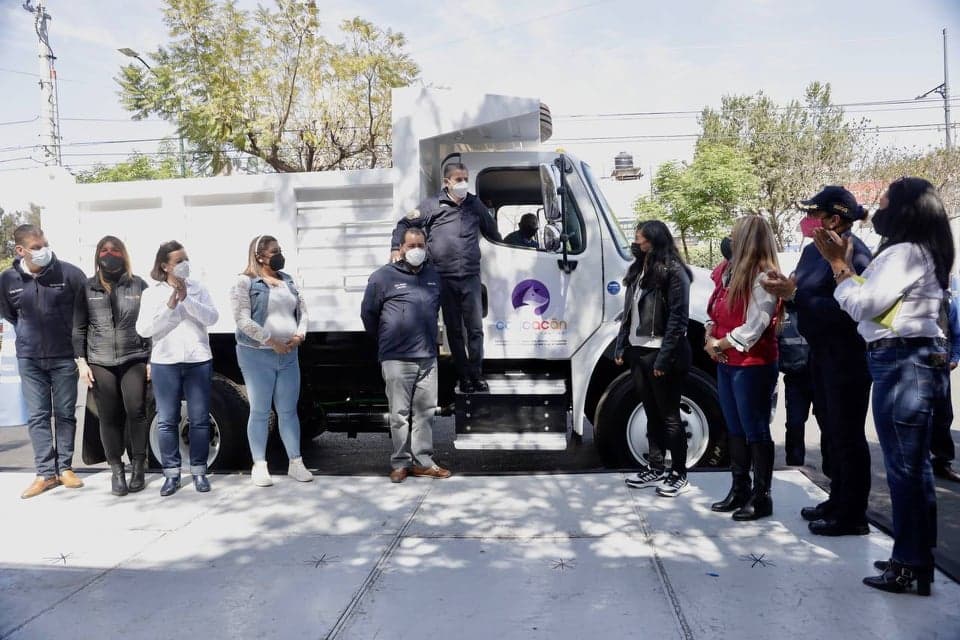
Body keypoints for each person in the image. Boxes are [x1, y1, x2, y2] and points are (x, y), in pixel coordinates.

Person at [817, 176, 953, 596]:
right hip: (907, 357)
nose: (876, 209)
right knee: (913, 468)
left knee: (905, 469)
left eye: (885, 202)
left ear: (906, 210)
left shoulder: (904, 254)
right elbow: (866, 305)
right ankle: (913, 557)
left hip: (902, 359)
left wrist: (840, 267)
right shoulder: (918, 251)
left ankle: (910, 563)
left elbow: (862, 306)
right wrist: (851, 278)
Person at [763, 186, 873, 536]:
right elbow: (803, 293)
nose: (807, 221)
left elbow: (851, 312)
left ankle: (852, 514)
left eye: (814, 215)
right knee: (831, 433)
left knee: (848, 436)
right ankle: (837, 498)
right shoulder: (814, 251)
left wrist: (797, 295)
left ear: (834, 219)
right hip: (819, 354)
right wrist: (787, 290)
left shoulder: (854, 254)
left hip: (847, 357)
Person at [390, 163, 501, 394]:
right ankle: (464, 377)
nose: (463, 183)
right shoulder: (433, 205)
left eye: (465, 178)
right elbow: (404, 223)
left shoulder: (474, 204)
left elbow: (492, 230)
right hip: (444, 277)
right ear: (446, 182)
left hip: (470, 276)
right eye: (458, 179)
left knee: (475, 329)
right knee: (454, 331)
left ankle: (477, 375)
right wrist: (395, 248)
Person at [0, 224, 87, 499]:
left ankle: (65, 468)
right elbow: (10, 315)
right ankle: (45, 474)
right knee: (37, 416)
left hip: (64, 356)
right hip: (29, 358)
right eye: (36, 247)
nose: (43, 251)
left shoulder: (70, 273)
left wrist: (79, 353)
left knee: (64, 414)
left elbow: (84, 314)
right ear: (21, 250)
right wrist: (27, 335)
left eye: (45, 244)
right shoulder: (7, 280)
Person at [705, 216, 781, 521]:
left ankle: (761, 497)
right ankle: (739, 488)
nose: (729, 241)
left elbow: (757, 324)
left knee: (755, 429)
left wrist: (720, 344)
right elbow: (712, 310)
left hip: (752, 363)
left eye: (734, 237)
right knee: (734, 427)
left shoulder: (765, 276)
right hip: (728, 361)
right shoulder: (727, 271)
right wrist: (709, 336)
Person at [363, 227, 451, 483]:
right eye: (411, 246)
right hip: (396, 357)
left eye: (420, 246)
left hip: (427, 357)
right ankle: (401, 463)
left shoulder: (434, 276)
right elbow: (368, 314)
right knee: (399, 414)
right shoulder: (382, 277)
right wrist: (386, 339)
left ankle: (423, 461)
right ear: (400, 248)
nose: (416, 250)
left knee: (425, 413)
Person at [615, 221, 693, 497]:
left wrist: (664, 358)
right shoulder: (639, 270)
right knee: (651, 413)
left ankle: (679, 473)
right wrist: (622, 346)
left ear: (655, 240)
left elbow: (678, 319)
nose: (637, 243)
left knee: (669, 415)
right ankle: (656, 466)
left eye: (641, 239)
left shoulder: (674, 271)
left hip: (662, 352)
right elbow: (629, 313)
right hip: (639, 351)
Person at [136, 241, 218, 496]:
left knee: (200, 419)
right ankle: (171, 474)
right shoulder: (152, 293)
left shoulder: (199, 288)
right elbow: (145, 330)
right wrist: (171, 306)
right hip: (165, 362)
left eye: (186, 259)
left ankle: (199, 471)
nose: (184, 264)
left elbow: (213, 318)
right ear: (165, 265)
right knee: (167, 420)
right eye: (179, 261)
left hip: (198, 359)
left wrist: (187, 301)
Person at [231, 235, 313, 487]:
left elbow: (303, 311)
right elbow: (242, 320)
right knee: (260, 410)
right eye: (274, 251)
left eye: (280, 250)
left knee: (288, 410)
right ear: (259, 256)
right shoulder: (245, 282)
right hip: (257, 355)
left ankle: (296, 463)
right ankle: (259, 465)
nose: (279, 255)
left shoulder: (287, 280)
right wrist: (270, 340)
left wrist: (300, 334)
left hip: (289, 354)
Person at [73, 236, 151, 496]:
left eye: (115, 250)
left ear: (123, 254)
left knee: (136, 410)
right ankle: (116, 469)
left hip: (133, 357)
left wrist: (151, 359)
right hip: (99, 360)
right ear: (97, 256)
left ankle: (138, 466)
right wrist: (82, 363)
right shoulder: (87, 288)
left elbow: (153, 325)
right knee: (108, 416)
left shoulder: (138, 285)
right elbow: (78, 329)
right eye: (104, 250)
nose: (110, 254)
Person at [777, 308, 818, 466]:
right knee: (794, 424)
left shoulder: (815, 306)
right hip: (795, 379)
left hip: (820, 377)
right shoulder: (782, 312)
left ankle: (832, 470)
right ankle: (794, 465)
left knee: (828, 424)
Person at [930, 285, 960, 482]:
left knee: (942, 414)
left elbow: (957, 334)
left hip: (939, 360)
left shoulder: (947, 300)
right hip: (908, 359)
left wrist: (955, 357)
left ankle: (942, 462)